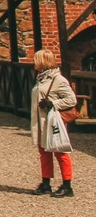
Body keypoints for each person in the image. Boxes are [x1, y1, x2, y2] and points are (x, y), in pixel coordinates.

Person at [31, 48, 78, 197]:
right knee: (44, 152)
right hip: (41, 122)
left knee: (60, 152)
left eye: (35, 59)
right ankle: (46, 183)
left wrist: (53, 103)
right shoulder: (41, 78)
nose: (33, 62)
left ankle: (67, 185)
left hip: (53, 122)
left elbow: (71, 99)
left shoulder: (58, 79)